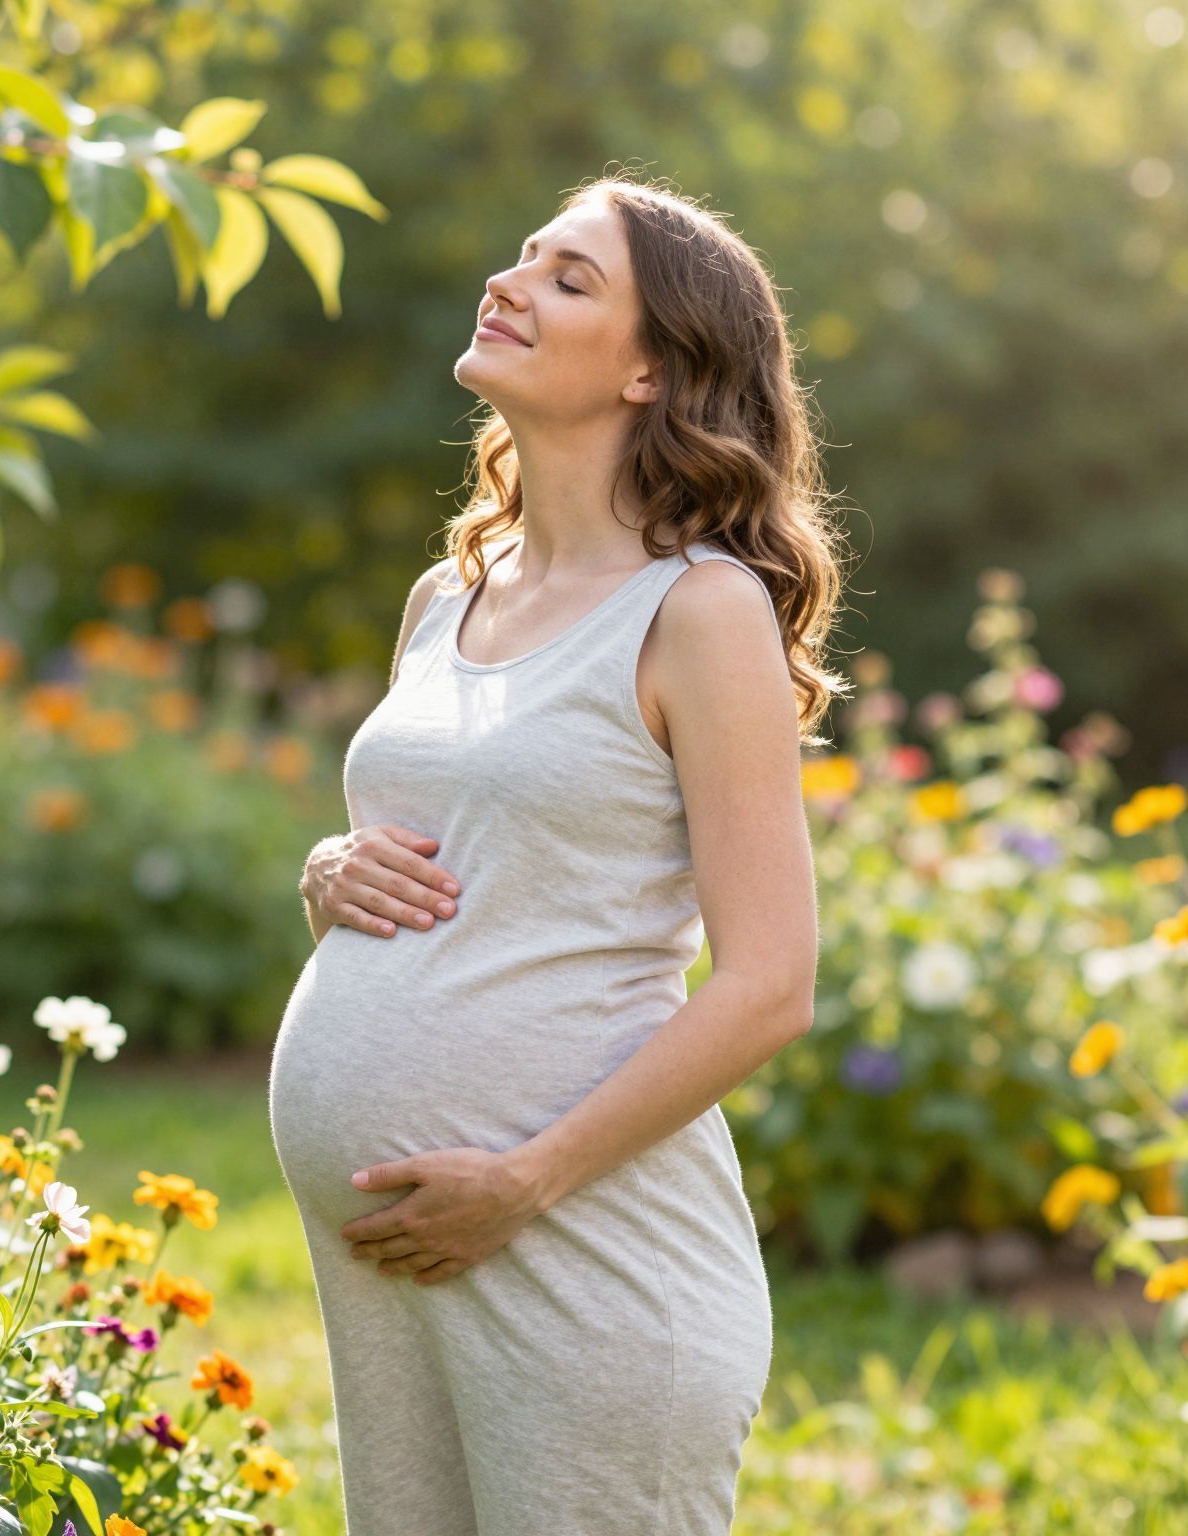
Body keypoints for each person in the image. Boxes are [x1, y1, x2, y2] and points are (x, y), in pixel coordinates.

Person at [268, 171, 851, 1535]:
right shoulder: (447, 594)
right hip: (397, 1265)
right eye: (522, 256)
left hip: (582, 1257)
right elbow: (482, 847)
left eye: (568, 277)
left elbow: (771, 983)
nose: (508, 282)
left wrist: (524, 1179)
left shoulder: (700, 612)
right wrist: (328, 872)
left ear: (653, 369)